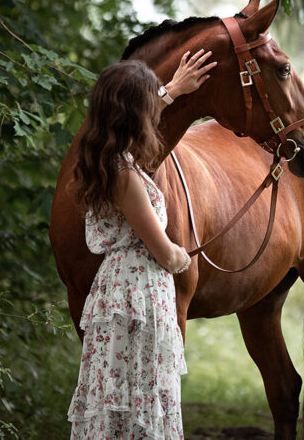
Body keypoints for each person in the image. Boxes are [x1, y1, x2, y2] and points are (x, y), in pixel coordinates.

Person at [68, 50, 216, 440]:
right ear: (134, 113)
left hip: (122, 291)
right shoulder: (125, 175)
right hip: (138, 295)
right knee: (140, 393)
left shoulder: (111, 158)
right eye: (150, 103)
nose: (156, 109)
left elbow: (142, 115)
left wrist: (174, 91)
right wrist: (183, 257)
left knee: (124, 389)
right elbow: (163, 250)